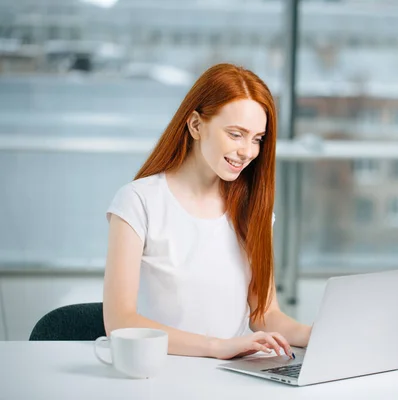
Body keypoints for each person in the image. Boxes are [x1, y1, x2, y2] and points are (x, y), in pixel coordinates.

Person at [102, 63, 312, 360]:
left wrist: (313, 334)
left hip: (234, 376)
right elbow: (120, 321)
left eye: (257, 139)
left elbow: (264, 313)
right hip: (164, 372)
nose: (248, 152)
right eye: (236, 134)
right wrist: (218, 348)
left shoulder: (253, 208)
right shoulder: (138, 201)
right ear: (196, 125)